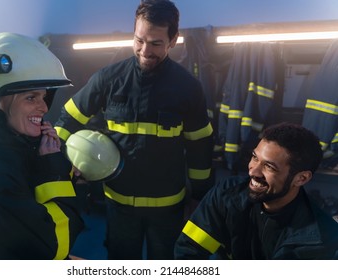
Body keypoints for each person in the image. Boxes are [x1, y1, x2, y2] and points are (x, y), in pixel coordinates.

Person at [55, 0, 214, 259]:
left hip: (168, 208)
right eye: (139, 40)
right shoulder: (107, 79)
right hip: (119, 205)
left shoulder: (188, 88)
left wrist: (199, 198)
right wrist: (59, 163)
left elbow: (200, 146)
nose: (144, 50)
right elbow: (67, 119)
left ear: (173, 41)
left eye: (155, 43)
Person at [0, 32, 84, 259]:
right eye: (31, 98)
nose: (43, 108)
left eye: (44, 97)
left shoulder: (11, 151)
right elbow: (55, 245)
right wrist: (53, 172)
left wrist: (55, 163)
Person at [174, 122, 338, 259]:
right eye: (254, 157)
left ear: (301, 178)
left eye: (269, 166)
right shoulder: (227, 195)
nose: (253, 171)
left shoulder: (321, 237)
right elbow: (188, 252)